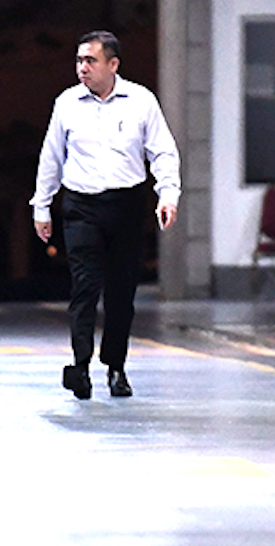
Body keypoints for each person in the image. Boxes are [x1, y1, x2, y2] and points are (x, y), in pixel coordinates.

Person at [30, 30, 181, 400]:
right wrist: (42, 206)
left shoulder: (141, 101)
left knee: (120, 292)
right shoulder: (66, 104)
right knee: (84, 286)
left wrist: (168, 195)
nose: (82, 68)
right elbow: (51, 157)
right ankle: (80, 366)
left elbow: (162, 152)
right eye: (79, 60)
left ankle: (116, 367)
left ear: (113, 64)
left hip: (126, 205)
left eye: (91, 61)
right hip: (81, 206)